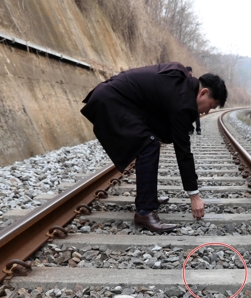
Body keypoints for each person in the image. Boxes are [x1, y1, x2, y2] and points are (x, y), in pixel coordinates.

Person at [81, 62, 227, 233]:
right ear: (203, 92)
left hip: (113, 97)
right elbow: (183, 151)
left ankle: (148, 198)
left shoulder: (182, 84)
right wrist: (194, 196)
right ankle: (144, 211)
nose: (206, 112)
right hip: (111, 101)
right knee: (149, 145)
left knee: (150, 142)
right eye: (210, 106)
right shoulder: (183, 101)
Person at [185, 67, 202, 135]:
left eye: (189, 72)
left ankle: (198, 129)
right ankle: (191, 129)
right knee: (188, 115)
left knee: (196, 115)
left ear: (191, 72)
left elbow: (198, 91)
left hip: (195, 100)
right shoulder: (184, 81)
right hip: (187, 100)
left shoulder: (195, 81)